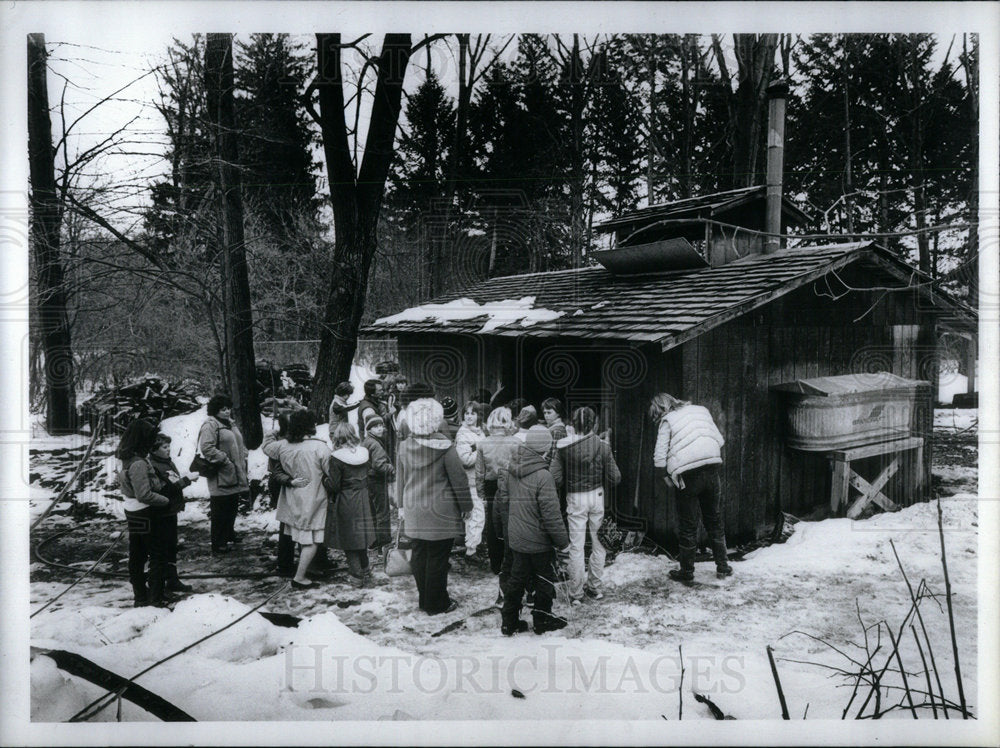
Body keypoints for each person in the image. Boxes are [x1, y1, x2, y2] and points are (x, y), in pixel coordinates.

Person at [396, 397, 472, 615]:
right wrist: (466, 505)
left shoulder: (404, 446)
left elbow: (400, 479)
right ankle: (436, 604)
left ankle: (425, 600)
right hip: (440, 510)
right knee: (438, 558)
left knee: (419, 555)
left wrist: (400, 505)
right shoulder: (445, 446)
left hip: (413, 508)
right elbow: (459, 479)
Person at [650, 393, 732, 582]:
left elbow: (659, 459)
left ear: (661, 409)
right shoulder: (701, 410)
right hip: (712, 469)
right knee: (714, 520)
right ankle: (723, 566)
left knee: (688, 525)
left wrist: (666, 478)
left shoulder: (667, 421)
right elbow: (719, 440)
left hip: (688, 476)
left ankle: (686, 572)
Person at [500, 424, 570, 636]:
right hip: (539, 542)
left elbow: (505, 500)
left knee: (516, 580)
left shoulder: (512, 469)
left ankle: (509, 621)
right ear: (545, 448)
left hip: (518, 538)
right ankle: (542, 620)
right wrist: (563, 542)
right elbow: (551, 515)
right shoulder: (543, 476)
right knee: (544, 580)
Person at [550, 407, 622, 604]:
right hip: (597, 496)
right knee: (599, 544)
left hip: (575, 498)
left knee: (576, 547)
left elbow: (554, 478)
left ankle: (576, 594)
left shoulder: (563, 447)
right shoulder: (603, 446)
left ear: (573, 424)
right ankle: (595, 588)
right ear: (594, 423)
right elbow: (615, 478)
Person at [262, 410, 331, 589]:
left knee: (301, 535)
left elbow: (266, 448)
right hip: (314, 498)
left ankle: (307, 568)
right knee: (312, 539)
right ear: (312, 426)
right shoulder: (320, 447)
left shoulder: (282, 445)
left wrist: (272, 433)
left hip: (292, 498)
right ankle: (299, 577)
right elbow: (331, 473)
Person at [117, 418, 171, 607]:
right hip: (146, 512)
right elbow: (144, 494)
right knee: (157, 555)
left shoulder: (124, 458)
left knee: (137, 554)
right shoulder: (138, 463)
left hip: (132, 511)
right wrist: (166, 501)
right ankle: (155, 598)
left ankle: (140, 596)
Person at [475, 406, 519, 600]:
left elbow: (479, 472)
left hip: (492, 484)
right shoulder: (516, 442)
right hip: (511, 483)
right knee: (512, 521)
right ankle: (512, 559)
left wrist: (480, 492)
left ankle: (495, 563)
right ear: (507, 421)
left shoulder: (483, 443)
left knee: (493, 525)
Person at [198, 395, 249, 554]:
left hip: (235, 470)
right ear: (215, 410)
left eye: (228, 408)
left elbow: (237, 442)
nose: (227, 412)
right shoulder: (211, 425)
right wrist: (225, 460)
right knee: (220, 508)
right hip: (221, 473)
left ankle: (229, 533)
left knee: (232, 504)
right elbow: (207, 448)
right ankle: (218, 542)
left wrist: (243, 453)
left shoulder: (229, 423)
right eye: (223, 409)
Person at [327, 423, 377, 587]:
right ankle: (366, 569)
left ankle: (356, 576)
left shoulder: (336, 458)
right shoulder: (363, 453)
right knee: (361, 536)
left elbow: (334, 485)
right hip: (363, 496)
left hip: (347, 498)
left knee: (349, 538)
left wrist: (324, 481)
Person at [147, 433, 195, 593]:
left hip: (170, 511)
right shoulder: (153, 466)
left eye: (169, 446)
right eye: (165, 447)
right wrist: (187, 480)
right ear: (154, 449)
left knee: (171, 547)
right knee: (163, 549)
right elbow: (166, 489)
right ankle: (158, 587)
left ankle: (172, 580)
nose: (169, 450)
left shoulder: (167, 462)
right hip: (161, 513)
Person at [455, 401, 487, 556]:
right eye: (466, 413)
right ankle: (471, 550)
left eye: (472, 413)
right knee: (476, 514)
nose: (469, 416)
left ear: (478, 416)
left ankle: (474, 544)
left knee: (476, 514)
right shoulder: (463, 434)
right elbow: (465, 459)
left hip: (479, 478)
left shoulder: (479, 432)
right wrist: (482, 450)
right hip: (471, 479)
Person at [361, 414, 395, 552]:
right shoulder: (375, 445)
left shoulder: (367, 441)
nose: (380, 428)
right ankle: (384, 544)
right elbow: (379, 466)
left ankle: (374, 541)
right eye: (376, 426)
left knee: (374, 512)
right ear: (369, 429)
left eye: (381, 425)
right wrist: (391, 468)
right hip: (377, 480)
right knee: (383, 513)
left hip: (369, 480)